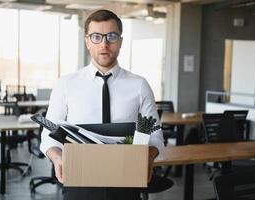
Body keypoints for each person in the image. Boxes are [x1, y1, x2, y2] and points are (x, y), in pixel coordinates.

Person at [40, 9, 164, 200]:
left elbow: (155, 135)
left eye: (111, 36)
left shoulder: (139, 85)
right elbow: (49, 136)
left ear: (120, 41)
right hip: (80, 182)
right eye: (96, 37)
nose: (104, 44)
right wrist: (57, 157)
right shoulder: (66, 84)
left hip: (126, 183)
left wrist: (147, 157)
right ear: (87, 41)